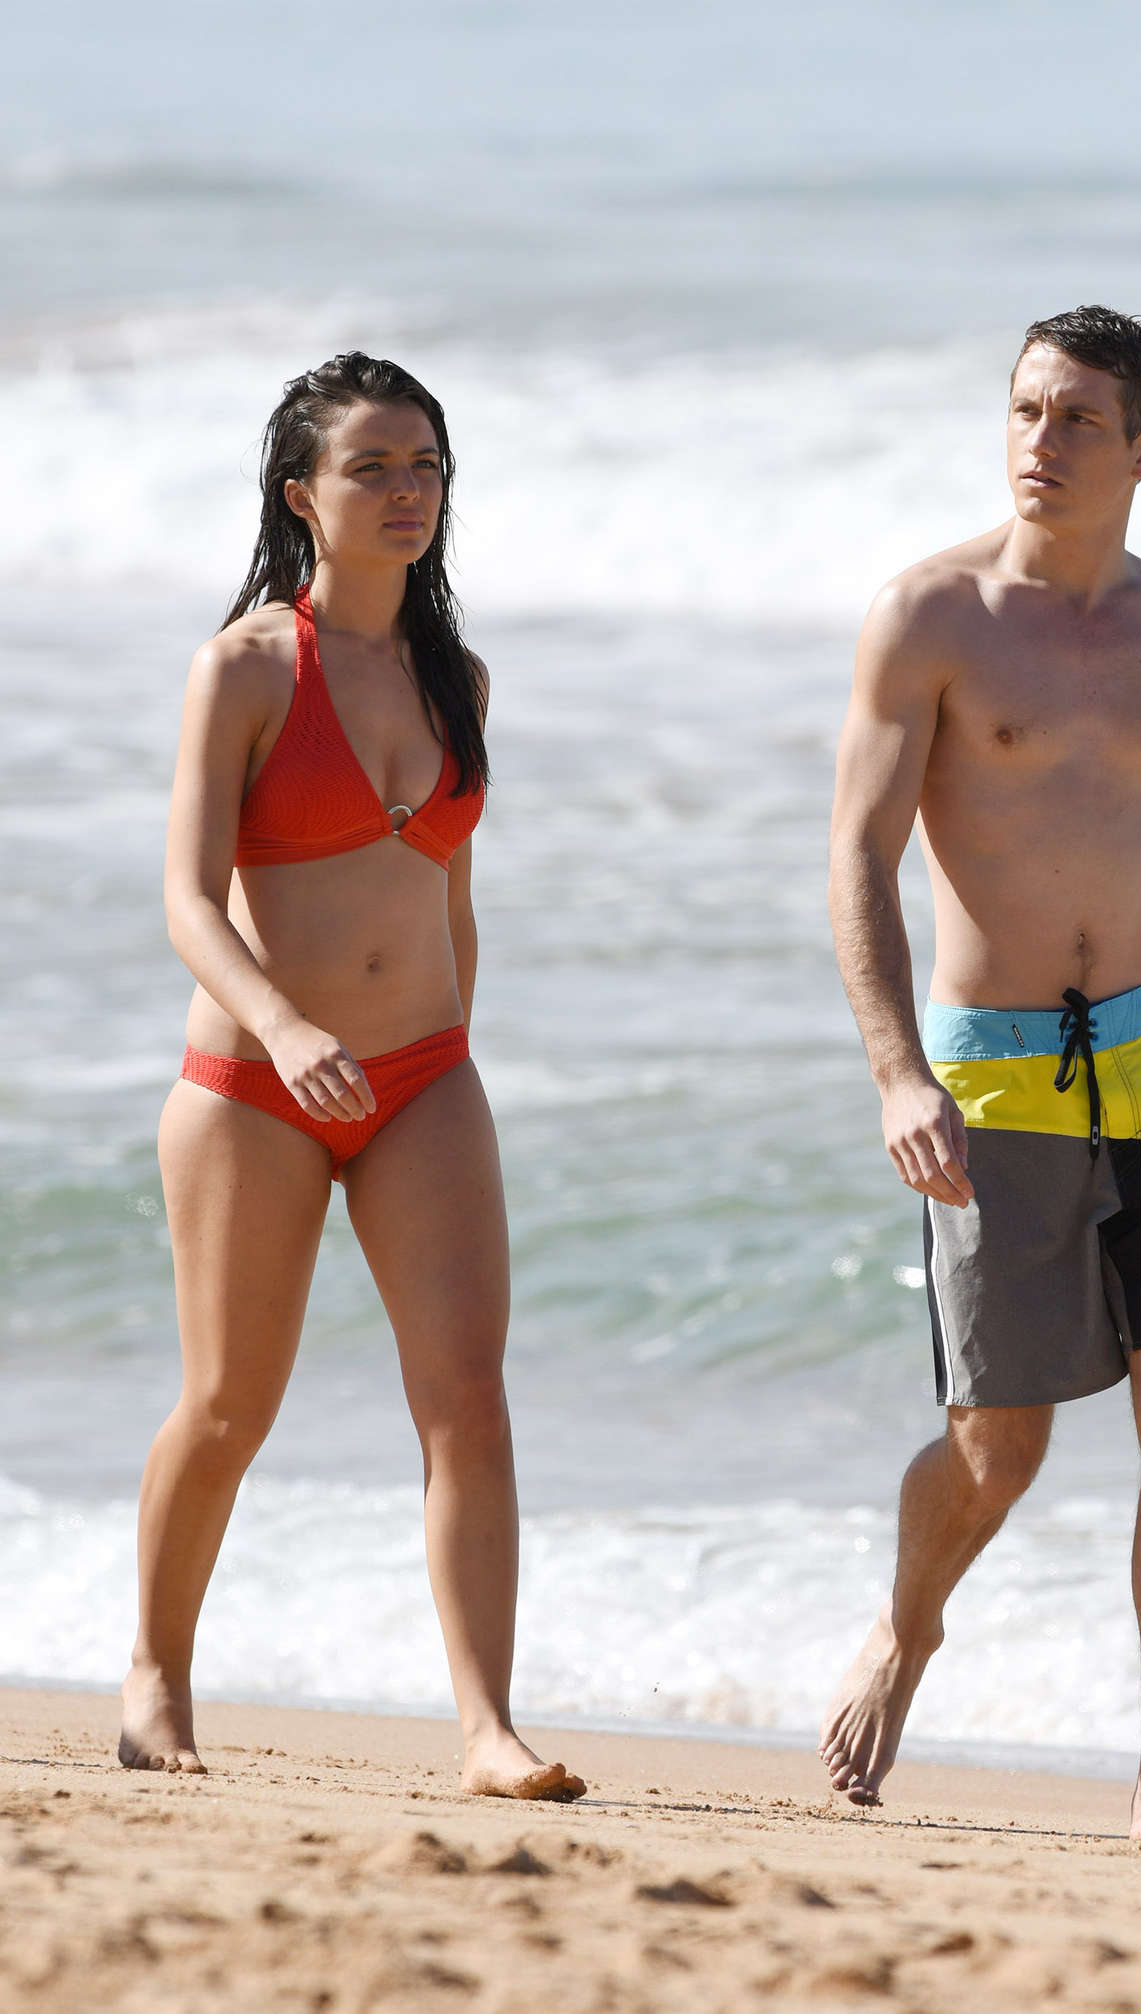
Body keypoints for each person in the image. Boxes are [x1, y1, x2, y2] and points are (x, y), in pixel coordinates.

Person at [820, 306, 1141, 1847]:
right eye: (1025, 409)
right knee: (996, 1445)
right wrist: (897, 1073)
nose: (1040, 440)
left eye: (1077, 417)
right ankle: (907, 1625)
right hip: (995, 1075)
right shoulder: (930, 616)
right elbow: (858, 859)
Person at [120, 352, 584, 1802]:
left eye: (426, 465)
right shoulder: (248, 668)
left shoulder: (461, 679)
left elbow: (449, 897)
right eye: (372, 467)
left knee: (468, 1398)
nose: (406, 491)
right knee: (228, 1406)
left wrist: (449, 1048)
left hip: (423, 1080)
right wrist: (284, 1026)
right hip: (253, 1083)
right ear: (300, 497)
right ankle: (155, 1676)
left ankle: (488, 1729)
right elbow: (188, 899)